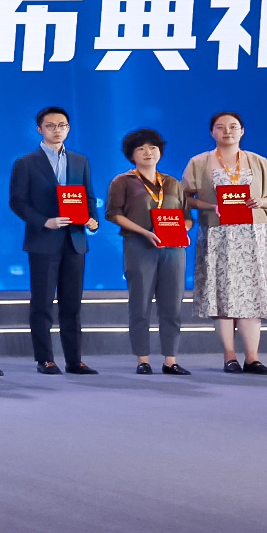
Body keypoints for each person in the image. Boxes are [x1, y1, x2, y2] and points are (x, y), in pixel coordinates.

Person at [185, 111, 267, 373]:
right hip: (217, 234)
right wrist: (209, 205)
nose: (227, 132)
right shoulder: (199, 162)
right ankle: (229, 356)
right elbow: (184, 198)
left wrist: (261, 201)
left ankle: (252, 358)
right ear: (212, 132)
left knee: (252, 294)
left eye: (233, 127)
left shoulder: (258, 161)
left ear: (242, 131)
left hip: (253, 234)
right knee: (222, 295)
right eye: (220, 127)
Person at [8, 106, 100, 376]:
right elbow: (17, 202)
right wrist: (43, 221)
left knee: (72, 304)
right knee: (43, 303)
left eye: (62, 125)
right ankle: (45, 359)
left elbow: (88, 196)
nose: (57, 130)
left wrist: (92, 220)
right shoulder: (25, 162)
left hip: (75, 240)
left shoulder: (80, 160)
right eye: (50, 126)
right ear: (40, 129)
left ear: (68, 128)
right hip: (43, 240)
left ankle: (74, 360)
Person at [107, 126, 191, 376]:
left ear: (160, 152)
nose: (148, 152)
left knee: (172, 304)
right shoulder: (122, 181)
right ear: (131, 154)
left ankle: (170, 360)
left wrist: (182, 229)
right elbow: (114, 214)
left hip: (173, 249)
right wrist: (145, 232)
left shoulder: (173, 183)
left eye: (153, 148)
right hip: (139, 245)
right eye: (141, 149)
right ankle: (142, 359)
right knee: (140, 303)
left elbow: (187, 217)